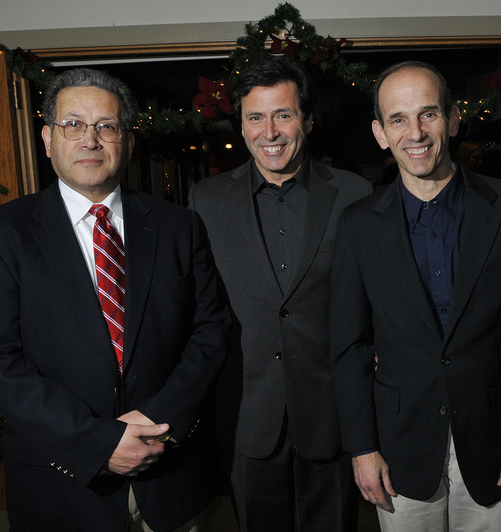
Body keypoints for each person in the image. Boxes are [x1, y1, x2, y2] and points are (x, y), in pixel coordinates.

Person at [0, 68, 230, 531]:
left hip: (169, 478)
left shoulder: (178, 227)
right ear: (47, 138)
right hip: (61, 486)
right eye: (73, 125)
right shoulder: (0, 235)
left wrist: (156, 421)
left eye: (106, 126)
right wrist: (99, 442)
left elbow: (211, 331)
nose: (90, 140)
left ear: (127, 140)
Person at [330, 61, 501, 532]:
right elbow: (349, 348)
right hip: (399, 445)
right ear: (379, 132)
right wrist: (362, 448)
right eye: (398, 119)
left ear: (453, 120)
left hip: (498, 444)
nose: (415, 132)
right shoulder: (357, 225)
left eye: (428, 114)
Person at [187, 56, 371, 532]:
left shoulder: (355, 195)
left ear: (307, 120)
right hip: (248, 415)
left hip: (332, 415)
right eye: (255, 117)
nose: (270, 131)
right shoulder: (204, 201)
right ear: (242, 126)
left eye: (283, 115)